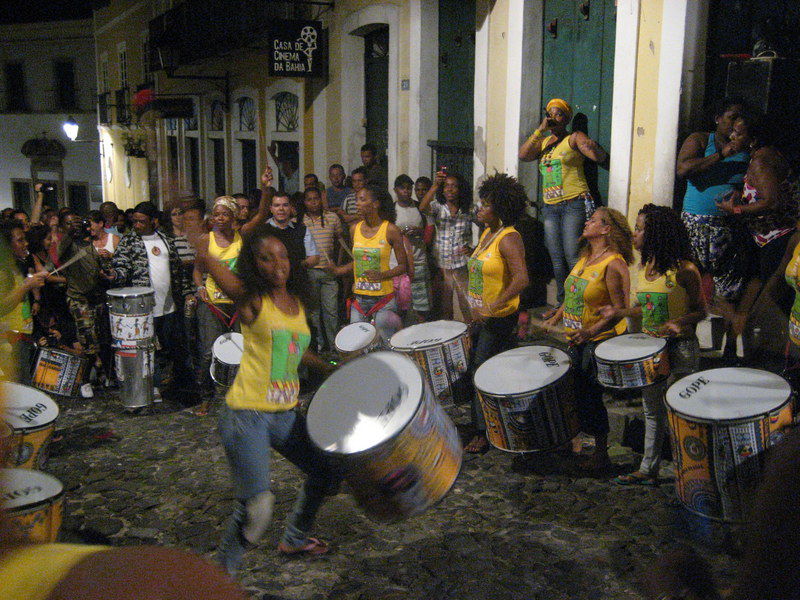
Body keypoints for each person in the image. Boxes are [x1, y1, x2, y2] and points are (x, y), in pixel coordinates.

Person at [186, 221, 338, 574]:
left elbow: (297, 350)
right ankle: (220, 578)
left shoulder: (297, 303)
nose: (278, 264)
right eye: (266, 259)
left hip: (284, 413)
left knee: (326, 475)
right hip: (247, 415)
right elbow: (213, 264)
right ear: (254, 265)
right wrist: (196, 235)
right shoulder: (253, 300)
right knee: (256, 508)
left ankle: (296, 537)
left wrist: (331, 367)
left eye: (282, 255)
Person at [599, 205, 705, 485]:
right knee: (652, 411)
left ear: (656, 234)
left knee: (682, 411)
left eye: (640, 228)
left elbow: (701, 311)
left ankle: (691, 471)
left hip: (680, 349)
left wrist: (679, 322)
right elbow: (641, 308)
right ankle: (648, 468)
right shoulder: (645, 267)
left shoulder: (686, 270)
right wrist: (620, 312)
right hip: (651, 350)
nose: (635, 233)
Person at [544, 207, 633, 471]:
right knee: (570, 392)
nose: (587, 222)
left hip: (596, 341)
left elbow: (619, 311)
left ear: (607, 229)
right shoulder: (585, 258)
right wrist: (557, 315)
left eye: (593, 220)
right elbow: (574, 292)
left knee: (590, 396)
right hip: (575, 338)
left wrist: (590, 333)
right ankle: (573, 441)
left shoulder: (614, 263)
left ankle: (601, 451)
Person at [676, 98, 750, 354]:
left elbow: (749, 181)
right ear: (718, 118)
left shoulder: (747, 147)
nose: (736, 123)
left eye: (741, 118)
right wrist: (722, 154)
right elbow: (683, 169)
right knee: (691, 287)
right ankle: (689, 348)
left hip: (728, 226)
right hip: (695, 224)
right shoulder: (700, 140)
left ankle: (727, 350)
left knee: (729, 290)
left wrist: (741, 195)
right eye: (732, 116)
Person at [518, 98, 609, 304]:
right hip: (550, 207)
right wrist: (540, 130)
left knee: (572, 254)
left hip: (573, 203)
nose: (553, 117)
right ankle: (563, 303)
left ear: (566, 119)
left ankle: (580, 302)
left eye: (558, 114)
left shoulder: (574, 138)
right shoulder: (543, 143)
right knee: (556, 259)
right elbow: (523, 155)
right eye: (550, 113)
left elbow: (596, 155)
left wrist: (591, 148)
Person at [195, 175, 273, 415]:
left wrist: (266, 188)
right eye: (216, 215)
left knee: (245, 349)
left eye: (225, 214)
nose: (220, 219)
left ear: (233, 216)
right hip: (213, 304)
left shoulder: (243, 235)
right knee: (209, 351)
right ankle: (206, 398)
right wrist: (200, 289)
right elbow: (198, 271)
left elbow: (261, 214)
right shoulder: (205, 240)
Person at [464, 173, 530, 453]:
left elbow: (521, 279)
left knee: (482, 370)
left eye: (486, 204)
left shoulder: (508, 238)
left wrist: (493, 305)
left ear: (501, 209)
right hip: (481, 317)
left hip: (500, 319)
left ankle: (483, 431)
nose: (480, 207)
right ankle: (496, 426)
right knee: (478, 370)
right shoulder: (486, 235)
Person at [109, 202, 195, 400]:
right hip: (144, 307)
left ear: (153, 221)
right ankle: (152, 385)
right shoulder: (129, 241)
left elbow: (178, 269)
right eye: (135, 221)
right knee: (148, 348)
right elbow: (121, 267)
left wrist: (187, 291)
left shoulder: (165, 239)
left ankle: (177, 382)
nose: (137, 225)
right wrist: (113, 275)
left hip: (169, 305)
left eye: (142, 221)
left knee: (172, 346)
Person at [716, 113, 798, 298]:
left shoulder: (761, 161)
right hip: (772, 238)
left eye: (738, 133)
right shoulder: (764, 155)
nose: (732, 137)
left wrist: (736, 209)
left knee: (773, 297)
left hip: (777, 239)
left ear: (753, 139)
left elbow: (771, 201)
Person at [329, 186, 408, 342]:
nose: (357, 203)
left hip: (383, 299)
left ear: (376, 204)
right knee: (357, 345)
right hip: (360, 298)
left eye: (362, 199)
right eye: (357, 199)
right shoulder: (354, 229)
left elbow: (403, 266)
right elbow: (358, 262)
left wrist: (381, 275)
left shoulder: (390, 230)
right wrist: (339, 270)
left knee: (386, 345)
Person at [58, 212, 115, 394]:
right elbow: (60, 249)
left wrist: (107, 264)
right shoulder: (68, 245)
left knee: (100, 339)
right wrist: (69, 232)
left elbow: (99, 271)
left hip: (95, 298)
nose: (86, 229)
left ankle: (101, 375)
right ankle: (84, 381)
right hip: (78, 299)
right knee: (87, 341)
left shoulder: (89, 246)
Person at [418, 169, 474, 321]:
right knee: (445, 305)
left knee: (466, 303)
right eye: (446, 186)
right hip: (442, 264)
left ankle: (470, 335)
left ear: (460, 189)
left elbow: (486, 224)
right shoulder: (437, 207)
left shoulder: (468, 209)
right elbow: (422, 208)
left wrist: (475, 249)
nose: (449, 189)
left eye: (454, 186)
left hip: (462, 263)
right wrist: (435, 185)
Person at [0, 221, 46, 383]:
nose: (25, 244)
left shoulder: (15, 266)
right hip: (8, 341)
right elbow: (2, 306)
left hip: (21, 337)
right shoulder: (3, 271)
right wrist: (27, 285)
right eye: (20, 240)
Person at [303, 186, 346, 353]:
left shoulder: (332, 218)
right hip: (310, 272)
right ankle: (319, 346)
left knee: (332, 311)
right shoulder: (301, 221)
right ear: (305, 202)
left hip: (329, 272)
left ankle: (335, 347)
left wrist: (338, 264)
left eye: (316, 198)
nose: (314, 202)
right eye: (309, 199)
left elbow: (340, 242)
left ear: (321, 200)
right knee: (313, 313)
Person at [393, 174, 431, 321]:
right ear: (395, 190)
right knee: (399, 306)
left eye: (409, 188)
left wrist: (419, 232)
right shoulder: (391, 210)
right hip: (399, 265)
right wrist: (399, 234)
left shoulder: (420, 209)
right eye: (403, 188)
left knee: (422, 307)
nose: (407, 192)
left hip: (419, 261)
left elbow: (428, 234)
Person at [266, 191, 319, 274]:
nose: (281, 209)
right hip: (270, 282)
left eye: (285, 205)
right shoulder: (263, 230)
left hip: (297, 280)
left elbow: (314, 257)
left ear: (291, 207)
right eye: (277, 205)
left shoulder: (302, 229)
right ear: (271, 209)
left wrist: (297, 266)